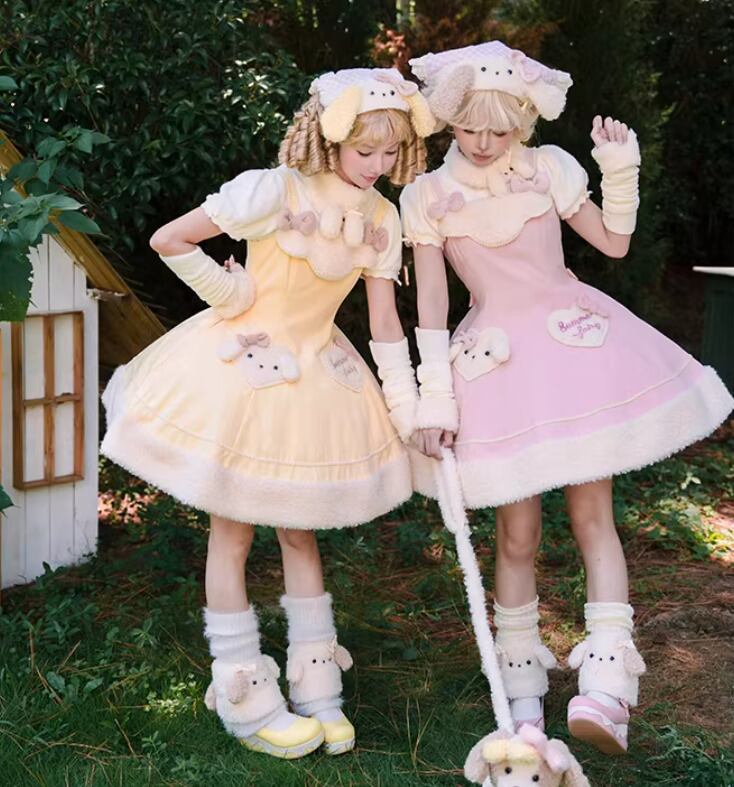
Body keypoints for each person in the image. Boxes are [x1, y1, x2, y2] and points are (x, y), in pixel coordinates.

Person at [401, 40, 733, 754]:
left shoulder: (548, 169)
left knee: (592, 516)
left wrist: (621, 168)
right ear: (450, 120)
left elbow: (614, 244)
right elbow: (431, 304)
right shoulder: (427, 196)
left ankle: (608, 682)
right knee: (516, 534)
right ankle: (522, 685)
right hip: (497, 366)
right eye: (470, 128)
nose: (483, 143)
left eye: (499, 130)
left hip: (573, 346)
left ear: (523, 123)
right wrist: (433, 396)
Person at [102, 67, 435, 759]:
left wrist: (407, 404)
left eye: (389, 152)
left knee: (300, 531)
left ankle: (316, 681)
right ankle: (242, 689)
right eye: (364, 150)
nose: (377, 164)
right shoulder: (274, 190)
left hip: (318, 375)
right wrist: (228, 295)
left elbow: (383, 320)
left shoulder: (382, 217)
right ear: (330, 136)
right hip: (247, 368)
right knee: (232, 531)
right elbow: (169, 239)